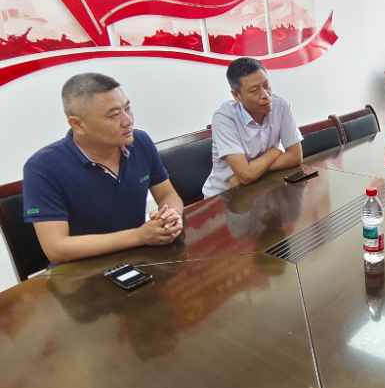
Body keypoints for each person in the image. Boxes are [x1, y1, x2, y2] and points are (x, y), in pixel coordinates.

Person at [23, 73, 184, 265]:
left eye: (127, 108)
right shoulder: (42, 167)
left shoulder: (140, 142)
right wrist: (138, 236)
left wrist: (172, 216)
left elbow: (167, 195)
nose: (128, 121)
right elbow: (56, 249)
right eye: (114, 115)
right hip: (81, 272)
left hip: (138, 258)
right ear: (77, 124)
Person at [202, 57, 303, 198]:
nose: (265, 95)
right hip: (224, 196)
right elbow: (246, 175)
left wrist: (256, 171)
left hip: (260, 186)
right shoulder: (224, 118)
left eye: (266, 86)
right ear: (236, 95)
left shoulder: (280, 106)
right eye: (255, 90)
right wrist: (275, 151)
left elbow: (296, 156)